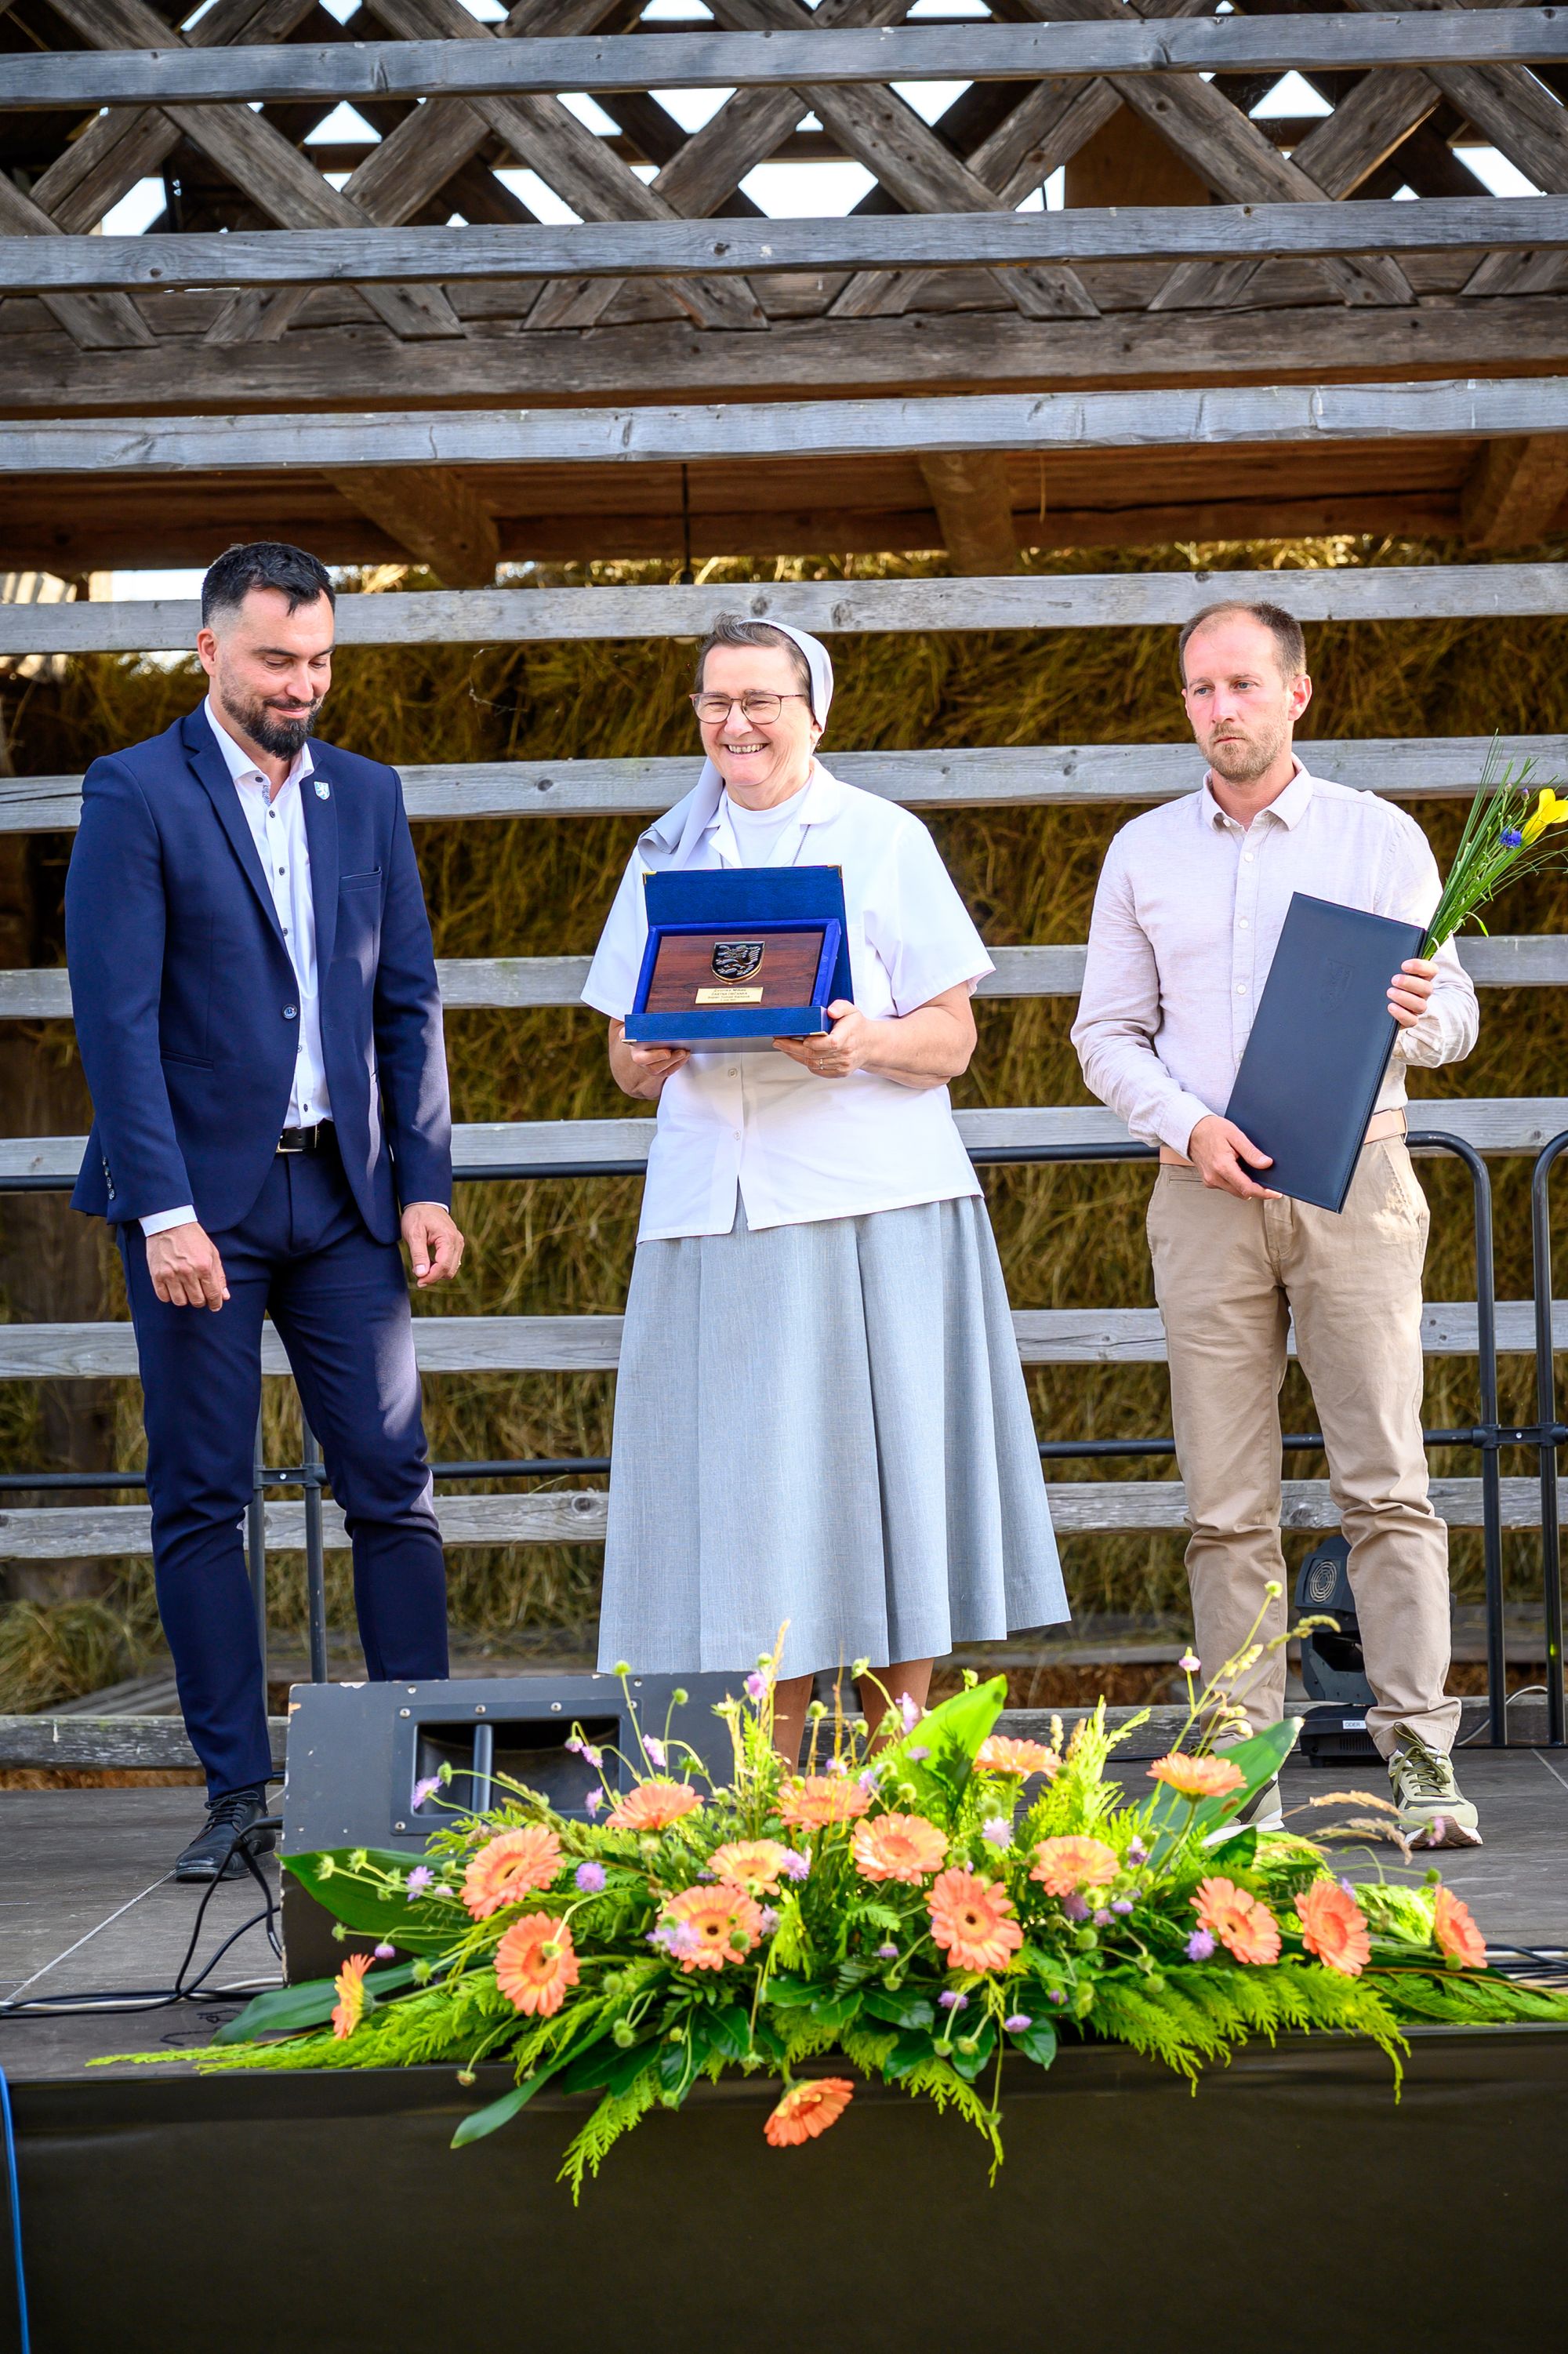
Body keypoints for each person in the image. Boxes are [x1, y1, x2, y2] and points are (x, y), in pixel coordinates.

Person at [583, 616, 1065, 1763]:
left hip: (875, 1206)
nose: (736, 724)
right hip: (719, 1215)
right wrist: (645, 1055)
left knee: (888, 1493)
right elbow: (623, 1050)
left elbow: (953, 1040)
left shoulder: (884, 837)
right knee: (753, 1510)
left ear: (816, 712)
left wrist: (864, 1043)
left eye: (762, 700)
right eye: (716, 702)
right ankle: (773, 1791)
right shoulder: (664, 852)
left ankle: (901, 1784)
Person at [65, 541, 464, 1880]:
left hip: (347, 1195)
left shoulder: (368, 792)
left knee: (394, 1487)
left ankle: (426, 1776)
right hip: (202, 1208)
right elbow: (116, 1019)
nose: (302, 684)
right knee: (201, 1494)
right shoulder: (134, 790)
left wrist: (425, 1182)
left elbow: (407, 997)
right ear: (210, 651)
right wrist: (161, 1207)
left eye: (321, 661)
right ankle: (238, 1791)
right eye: (277, 660)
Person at [1073, 598, 1479, 1845]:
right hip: (1202, 1192)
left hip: (1357, 1180)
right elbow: (1105, 1034)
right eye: (1201, 689)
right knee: (1224, 1501)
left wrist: (1416, 1008)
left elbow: (1458, 1020)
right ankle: (1240, 1770)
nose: (1221, 709)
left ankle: (1421, 1756)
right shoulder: (1144, 851)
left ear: (1298, 692)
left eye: (1244, 684)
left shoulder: (1380, 837)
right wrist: (1190, 1124)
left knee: (1387, 1480)